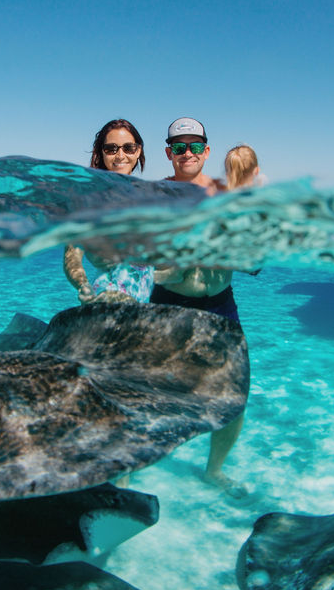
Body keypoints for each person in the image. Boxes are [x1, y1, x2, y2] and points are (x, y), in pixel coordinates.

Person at [153, 117, 247, 497]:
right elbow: (138, 260)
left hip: (220, 305)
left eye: (195, 146)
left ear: (207, 151)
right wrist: (170, 268)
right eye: (179, 147)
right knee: (154, 393)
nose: (187, 153)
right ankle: (138, 464)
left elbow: (253, 258)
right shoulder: (154, 196)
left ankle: (214, 471)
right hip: (167, 307)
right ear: (168, 153)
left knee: (234, 398)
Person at [63, 119, 154, 304]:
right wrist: (83, 286)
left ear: (138, 151)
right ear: (101, 153)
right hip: (107, 297)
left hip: (141, 304)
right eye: (111, 149)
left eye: (128, 148)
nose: (120, 155)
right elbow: (72, 254)